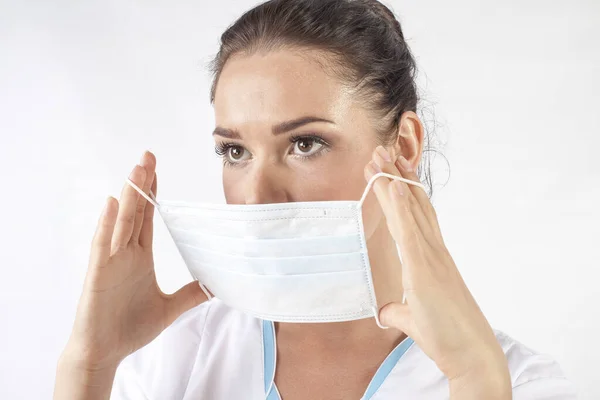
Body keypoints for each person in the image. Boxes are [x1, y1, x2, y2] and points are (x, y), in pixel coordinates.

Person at [53, 0, 577, 399]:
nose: (257, 198)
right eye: (235, 151)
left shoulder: (518, 382)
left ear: (405, 144)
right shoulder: (169, 362)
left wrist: (475, 376)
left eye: (306, 144)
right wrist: (89, 368)